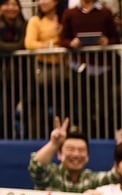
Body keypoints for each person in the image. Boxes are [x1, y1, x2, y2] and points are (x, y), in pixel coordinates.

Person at [59, 0, 121, 138]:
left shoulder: (105, 12)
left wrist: (106, 41)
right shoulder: (70, 13)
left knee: (105, 106)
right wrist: (71, 43)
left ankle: (106, 137)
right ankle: (85, 136)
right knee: (82, 106)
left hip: (103, 68)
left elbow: (115, 38)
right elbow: (63, 39)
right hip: (79, 68)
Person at [28, 116, 121, 192]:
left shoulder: (91, 179)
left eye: (81, 150)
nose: (76, 154)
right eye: (70, 149)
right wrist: (54, 144)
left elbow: (115, 176)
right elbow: (36, 166)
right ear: (59, 154)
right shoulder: (51, 176)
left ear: (87, 157)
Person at [25, 0, 68, 138]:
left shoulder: (64, 18)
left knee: (62, 106)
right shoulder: (36, 21)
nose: (42, 2)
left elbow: (67, 40)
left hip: (63, 70)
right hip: (42, 69)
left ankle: (63, 137)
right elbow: (30, 43)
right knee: (39, 107)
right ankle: (37, 138)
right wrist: (51, 44)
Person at [0, 0, 27, 138]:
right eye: (6, 4)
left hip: (19, 76)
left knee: (11, 110)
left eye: (14, 4)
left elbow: (23, 44)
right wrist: (15, 47)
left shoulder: (25, 24)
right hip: (2, 76)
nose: (11, 8)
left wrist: (7, 48)